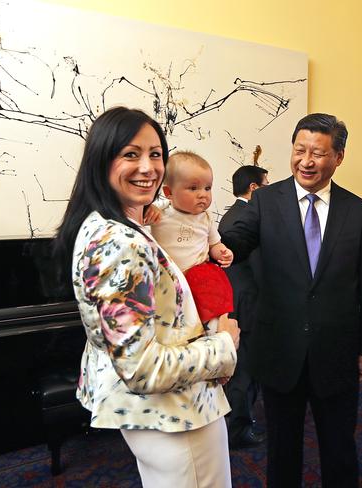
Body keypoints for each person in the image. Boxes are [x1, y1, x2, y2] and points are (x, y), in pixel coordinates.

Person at [54, 107, 240, 488]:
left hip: (167, 412)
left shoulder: (114, 224)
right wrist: (224, 346)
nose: (148, 167)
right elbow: (144, 369)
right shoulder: (118, 242)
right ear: (101, 159)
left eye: (156, 154)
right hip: (174, 414)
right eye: (130, 154)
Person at [220, 113, 362, 487]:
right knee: (282, 450)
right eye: (300, 150)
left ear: (338, 157)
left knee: (340, 448)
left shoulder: (357, 211)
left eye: (318, 152)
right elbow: (234, 240)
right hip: (279, 350)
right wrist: (196, 230)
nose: (306, 161)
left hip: (338, 352)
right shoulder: (265, 202)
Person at [149, 151, 234, 333]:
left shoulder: (206, 218)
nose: (203, 195)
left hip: (198, 271)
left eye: (208, 188)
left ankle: (213, 325)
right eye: (194, 188)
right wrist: (149, 210)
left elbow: (214, 244)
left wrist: (222, 251)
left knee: (211, 279)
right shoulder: (160, 213)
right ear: (169, 193)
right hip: (169, 276)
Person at [218, 165, 268, 448]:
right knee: (244, 373)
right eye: (265, 184)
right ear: (253, 188)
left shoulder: (230, 215)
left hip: (239, 302)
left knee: (246, 371)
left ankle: (242, 422)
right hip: (246, 305)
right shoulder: (246, 218)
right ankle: (240, 430)